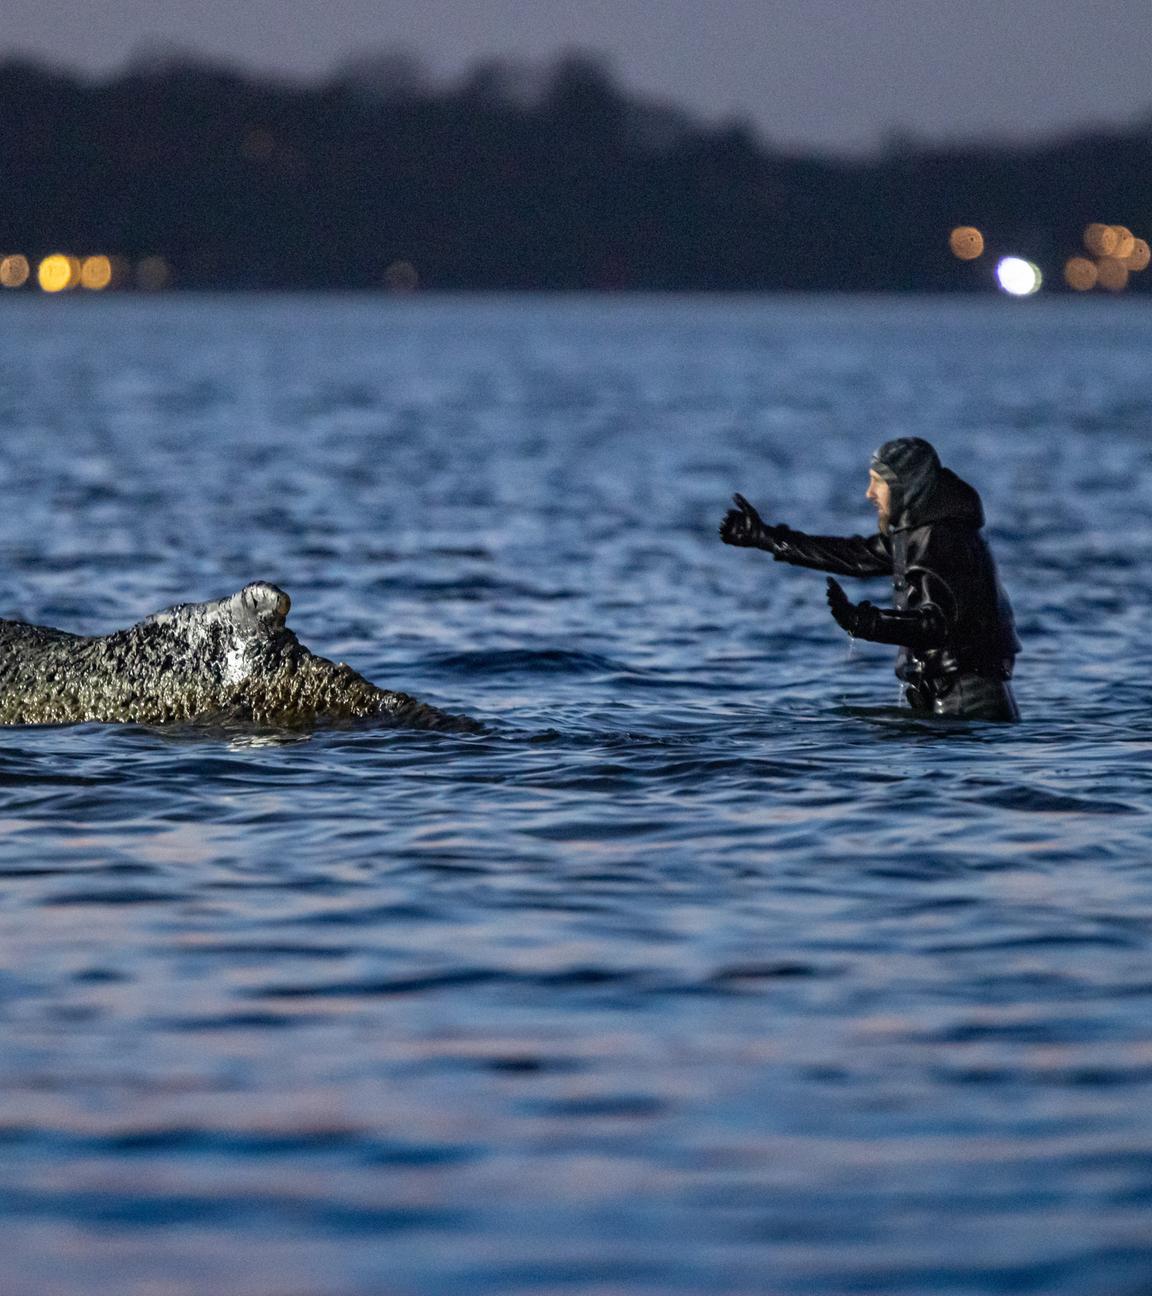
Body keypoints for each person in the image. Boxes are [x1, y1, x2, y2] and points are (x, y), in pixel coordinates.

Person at [719, 437, 1021, 721]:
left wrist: (865, 623)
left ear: (906, 486)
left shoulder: (941, 537)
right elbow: (855, 556)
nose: (869, 493)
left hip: (967, 700)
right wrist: (767, 538)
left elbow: (937, 625)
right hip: (950, 694)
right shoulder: (919, 531)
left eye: (878, 482)